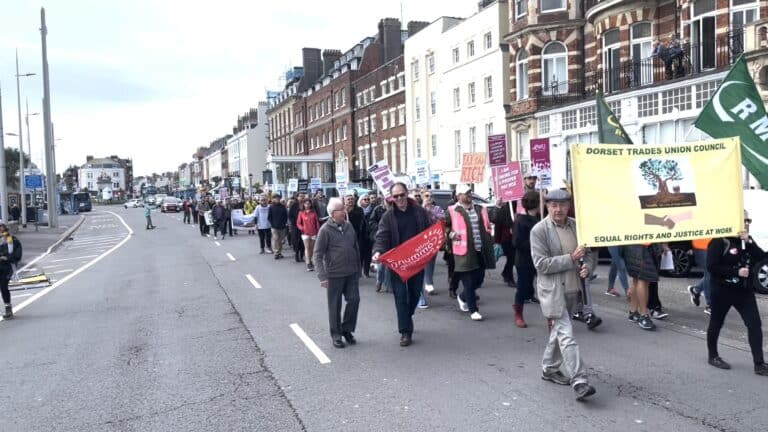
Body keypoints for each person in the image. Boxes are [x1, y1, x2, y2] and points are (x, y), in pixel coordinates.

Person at [530, 189, 596, 401]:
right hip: (553, 292)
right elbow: (541, 264)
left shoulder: (577, 225)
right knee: (566, 335)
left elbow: (590, 254)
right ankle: (580, 380)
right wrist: (571, 258)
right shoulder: (539, 230)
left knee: (558, 332)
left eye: (563, 204)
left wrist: (587, 266)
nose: (558, 209)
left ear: (569, 206)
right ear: (547, 206)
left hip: (574, 289)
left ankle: (549, 368)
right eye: (553, 205)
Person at [706, 213, 768, 375]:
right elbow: (711, 267)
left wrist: (749, 241)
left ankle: (759, 364)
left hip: (744, 291)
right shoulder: (721, 240)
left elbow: (761, 257)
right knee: (716, 322)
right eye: (744, 220)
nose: (747, 224)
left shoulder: (747, 241)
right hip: (722, 290)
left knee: (754, 324)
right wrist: (735, 271)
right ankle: (713, 356)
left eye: (748, 220)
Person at [373, 183, 431, 347]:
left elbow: (430, 229)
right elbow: (382, 236)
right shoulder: (388, 216)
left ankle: (407, 315)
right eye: (395, 196)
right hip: (397, 263)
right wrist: (378, 251)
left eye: (401, 195)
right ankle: (405, 332)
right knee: (400, 296)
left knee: (414, 294)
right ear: (392, 198)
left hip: (416, 262)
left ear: (407, 194)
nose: (399, 199)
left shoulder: (419, 212)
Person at [314, 197, 361, 349]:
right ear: (333, 213)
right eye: (341, 209)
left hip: (351, 272)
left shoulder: (348, 226)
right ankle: (336, 335)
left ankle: (347, 329)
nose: (344, 211)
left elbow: (355, 247)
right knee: (335, 306)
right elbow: (318, 255)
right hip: (334, 274)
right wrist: (322, 276)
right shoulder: (325, 230)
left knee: (354, 300)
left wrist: (358, 267)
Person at [445, 184, 496, 321]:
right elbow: (445, 227)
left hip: (480, 249)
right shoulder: (452, 210)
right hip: (463, 251)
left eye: (469, 192)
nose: (469, 195)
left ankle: (462, 297)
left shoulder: (480, 208)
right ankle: (473, 310)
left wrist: (499, 206)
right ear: (458, 196)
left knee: (479, 280)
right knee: (468, 281)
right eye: (465, 193)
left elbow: (491, 220)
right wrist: (450, 234)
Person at [512, 190, 540, 328]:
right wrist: (535, 242)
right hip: (524, 260)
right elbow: (516, 242)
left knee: (545, 286)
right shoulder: (520, 221)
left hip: (540, 259)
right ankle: (518, 314)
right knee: (522, 287)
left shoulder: (541, 219)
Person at [624, 242, 665, 330]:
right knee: (643, 279)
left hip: (639, 245)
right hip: (640, 246)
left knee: (637, 279)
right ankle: (643, 315)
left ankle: (633, 312)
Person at [420, 190, 444, 302]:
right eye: (426, 196)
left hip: (433, 238)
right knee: (423, 260)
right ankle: (426, 283)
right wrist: (424, 209)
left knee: (431, 260)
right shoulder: (419, 209)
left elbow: (442, 218)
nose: (429, 198)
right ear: (422, 197)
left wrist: (430, 211)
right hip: (421, 239)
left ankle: (429, 282)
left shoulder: (437, 208)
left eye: (430, 196)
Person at [0, 220, 22, 319]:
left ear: (5, 227)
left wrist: (7, 258)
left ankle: (8, 309)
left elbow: (17, 254)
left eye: (1, 226)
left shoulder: (12, 239)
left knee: (3, 287)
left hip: (6, 267)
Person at [492, 198, 516, 287]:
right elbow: (497, 225)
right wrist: (497, 241)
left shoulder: (517, 207)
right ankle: (509, 277)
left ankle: (506, 273)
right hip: (505, 238)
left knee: (512, 258)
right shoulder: (503, 209)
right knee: (511, 258)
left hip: (514, 237)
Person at [688, 238, 713, 315]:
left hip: (716, 245)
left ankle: (696, 290)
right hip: (702, 246)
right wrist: (689, 246)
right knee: (709, 273)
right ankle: (710, 304)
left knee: (712, 273)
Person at [297, 199, 320, 271]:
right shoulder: (301, 213)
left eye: (308, 203)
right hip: (305, 233)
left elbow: (317, 223)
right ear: (303, 204)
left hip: (313, 232)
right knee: (307, 248)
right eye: (306, 204)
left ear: (311, 204)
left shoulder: (314, 213)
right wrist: (302, 228)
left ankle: (310, 260)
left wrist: (318, 231)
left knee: (312, 248)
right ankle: (308, 263)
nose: (307, 205)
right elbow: (298, 223)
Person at [357, 194, 374, 278]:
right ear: (360, 201)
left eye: (368, 199)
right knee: (360, 254)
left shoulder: (373, 210)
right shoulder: (358, 210)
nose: (367, 201)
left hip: (369, 235)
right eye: (365, 199)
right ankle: (359, 271)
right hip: (360, 235)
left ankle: (366, 271)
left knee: (368, 254)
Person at [268, 194, 288, 259]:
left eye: (278, 198)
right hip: (274, 227)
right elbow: (269, 217)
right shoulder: (271, 207)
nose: (277, 199)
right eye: (276, 198)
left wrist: (284, 223)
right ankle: (276, 253)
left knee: (280, 240)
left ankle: (279, 252)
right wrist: (272, 224)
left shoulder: (283, 206)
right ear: (273, 199)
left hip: (282, 226)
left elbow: (285, 216)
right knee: (275, 239)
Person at [288, 193, 306, 263]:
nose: (302, 198)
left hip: (304, 226)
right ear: (297, 197)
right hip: (295, 226)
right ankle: (296, 254)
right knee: (296, 241)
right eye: (300, 196)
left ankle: (301, 256)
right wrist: (295, 223)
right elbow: (290, 215)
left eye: (303, 196)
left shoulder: (306, 204)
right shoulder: (294, 205)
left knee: (303, 241)